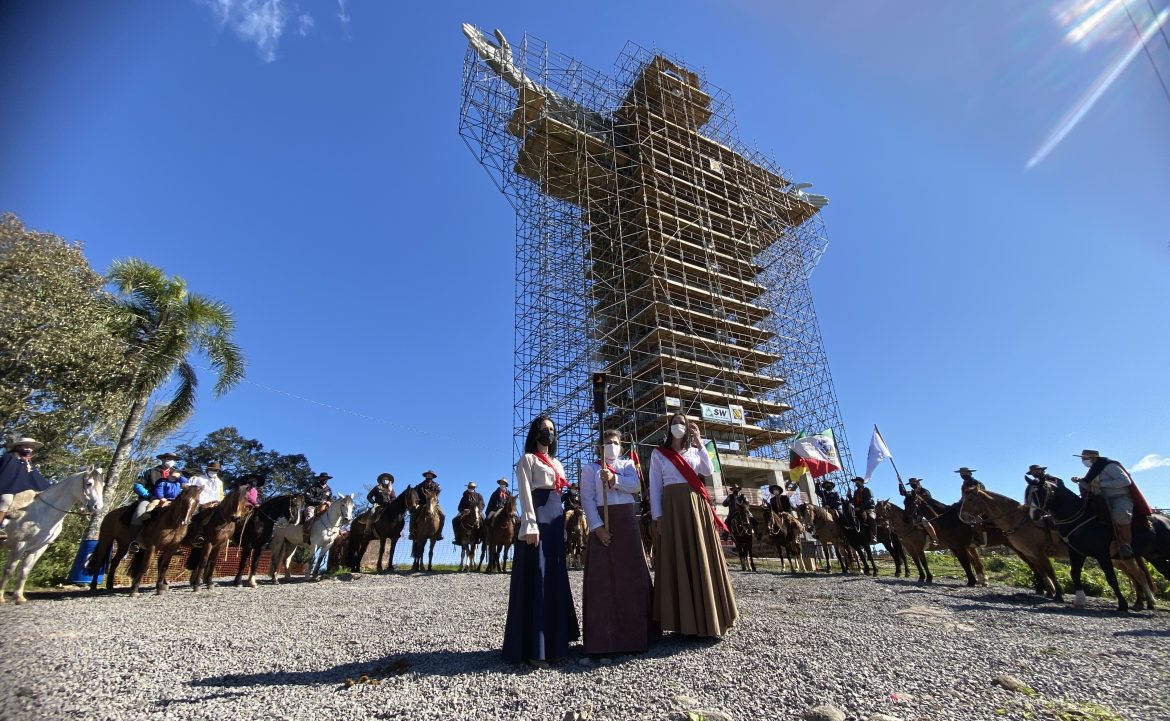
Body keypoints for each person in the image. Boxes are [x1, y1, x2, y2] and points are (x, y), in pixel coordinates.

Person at [650, 413, 738, 638]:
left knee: (702, 554)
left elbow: (708, 471)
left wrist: (700, 443)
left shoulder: (694, 451)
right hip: (672, 507)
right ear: (669, 427)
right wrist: (658, 517)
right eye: (675, 423)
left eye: (682, 423)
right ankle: (681, 620)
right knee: (677, 557)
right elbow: (655, 487)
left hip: (695, 505)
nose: (678, 426)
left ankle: (710, 616)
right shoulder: (659, 453)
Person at [502, 415, 579, 666]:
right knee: (539, 577)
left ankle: (556, 644)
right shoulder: (528, 459)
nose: (549, 433)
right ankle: (536, 649)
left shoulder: (557, 463)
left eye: (552, 429)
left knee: (555, 577)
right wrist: (530, 523)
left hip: (555, 520)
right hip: (538, 516)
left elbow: (560, 495)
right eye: (545, 429)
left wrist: (564, 527)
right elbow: (525, 493)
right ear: (536, 432)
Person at [580, 428, 655, 655]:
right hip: (603, 522)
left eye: (615, 442)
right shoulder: (590, 469)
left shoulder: (627, 465)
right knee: (602, 579)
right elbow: (587, 498)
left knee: (632, 576)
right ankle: (603, 639)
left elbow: (635, 486)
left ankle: (638, 635)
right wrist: (597, 527)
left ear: (621, 446)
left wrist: (614, 479)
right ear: (600, 447)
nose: (612, 445)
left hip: (626, 521)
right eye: (607, 442)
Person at [1075, 449, 1148, 559]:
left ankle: (1125, 544)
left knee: (1120, 514)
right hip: (1101, 499)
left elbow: (1125, 481)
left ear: (1093, 458)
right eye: (1082, 458)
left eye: (1084, 458)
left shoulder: (1110, 466)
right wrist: (1080, 482)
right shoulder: (1093, 470)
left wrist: (1102, 484)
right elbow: (1092, 487)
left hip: (1120, 497)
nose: (1083, 461)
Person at [128, 452, 183, 552]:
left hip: (171, 501)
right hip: (150, 499)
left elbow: (184, 487)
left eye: (173, 459)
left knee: (182, 516)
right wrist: (149, 496)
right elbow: (138, 485)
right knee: (139, 514)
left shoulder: (177, 474)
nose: (171, 461)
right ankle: (134, 541)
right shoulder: (150, 472)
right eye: (168, 459)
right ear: (162, 459)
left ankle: (175, 544)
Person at [0, 437, 50, 540]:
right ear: (18, 447)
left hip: (22, 490)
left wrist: (46, 489)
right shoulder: (9, 458)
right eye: (26, 446)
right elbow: (5, 475)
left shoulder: (27, 462)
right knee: (6, 500)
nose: (29, 449)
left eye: (31, 447)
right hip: (6, 488)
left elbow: (35, 478)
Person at [898, 478, 940, 547]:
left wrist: (915, 494)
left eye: (913, 483)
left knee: (924, 521)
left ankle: (935, 539)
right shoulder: (912, 492)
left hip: (927, 511)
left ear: (917, 482)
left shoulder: (924, 491)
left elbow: (925, 500)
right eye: (911, 484)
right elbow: (903, 493)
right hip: (917, 513)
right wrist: (900, 483)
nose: (912, 485)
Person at [955, 467, 987, 545]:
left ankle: (981, 539)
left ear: (969, 473)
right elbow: (964, 496)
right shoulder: (965, 483)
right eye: (961, 473)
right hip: (967, 503)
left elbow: (980, 495)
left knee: (975, 518)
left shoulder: (975, 482)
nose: (962, 475)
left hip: (977, 505)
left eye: (964, 473)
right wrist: (960, 502)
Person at [411, 470, 446, 540]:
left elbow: (438, 492)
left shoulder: (436, 485)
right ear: (425, 476)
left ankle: (439, 533)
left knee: (443, 515)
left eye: (430, 475)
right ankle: (411, 531)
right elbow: (414, 492)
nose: (429, 476)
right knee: (413, 514)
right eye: (428, 475)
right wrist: (416, 503)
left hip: (433, 504)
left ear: (433, 476)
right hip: (422, 503)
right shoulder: (420, 485)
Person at [850, 476, 877, 543]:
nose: (856, 483)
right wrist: (849, 496)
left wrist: (860, 507)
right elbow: (854, 502)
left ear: (861, 482)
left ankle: (874, 536)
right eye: (855, 482)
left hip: (869, 509)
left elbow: (869, 500)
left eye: (857, 482)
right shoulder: (856, 492)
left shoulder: (867, 490)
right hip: (858, 509)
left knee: (871, 518)